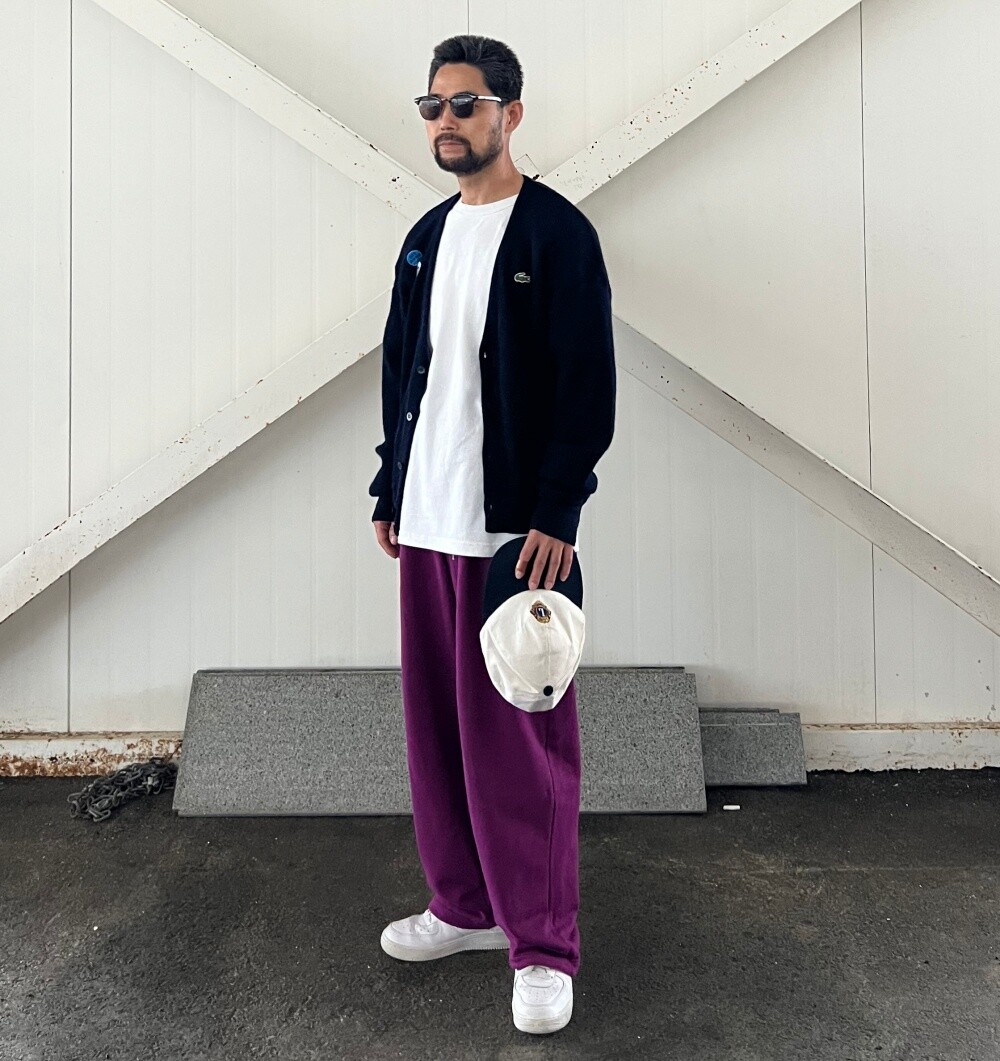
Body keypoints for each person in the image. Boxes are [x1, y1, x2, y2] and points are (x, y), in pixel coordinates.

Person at [368, 33, 616, 1036]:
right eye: (432, 105)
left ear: (509, 114)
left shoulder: (557, 235)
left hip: (512, 534)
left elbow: (587, 383)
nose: (446, 121)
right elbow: (403, 369)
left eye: (465, 104)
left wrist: (557, 510)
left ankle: (543, 944)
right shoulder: (426, 236)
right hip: (427, 521)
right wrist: (390, 485)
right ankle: (464, 905)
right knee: (436, 732)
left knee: (522, 744)